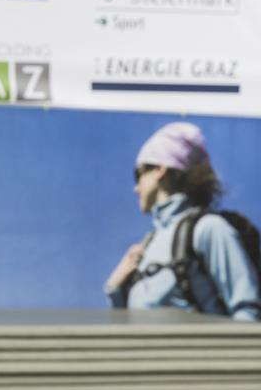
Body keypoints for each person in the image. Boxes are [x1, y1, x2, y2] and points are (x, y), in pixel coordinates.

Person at [105, 122, 260, 321]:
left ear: (159, 169)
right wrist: (116, 290)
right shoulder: (149, 244)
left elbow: (248, 312)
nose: (136, 188)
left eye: (138, 174)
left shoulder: (208, 229)